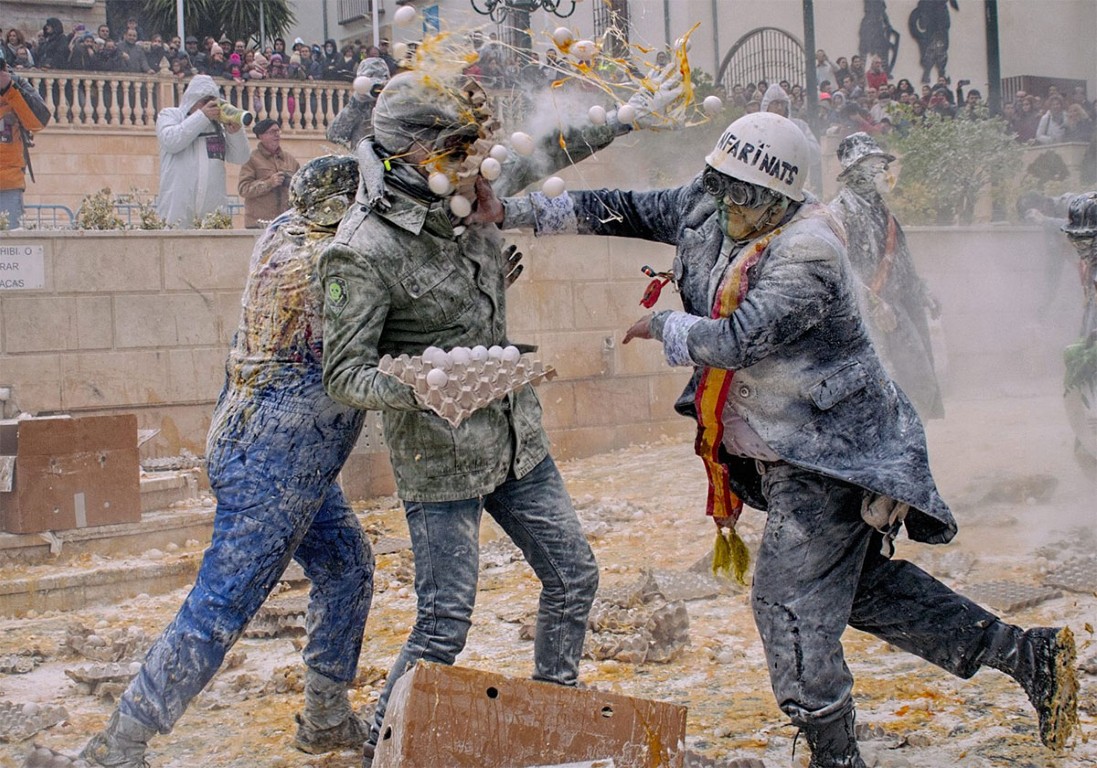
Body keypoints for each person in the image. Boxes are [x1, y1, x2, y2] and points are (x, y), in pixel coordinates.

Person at [479, 111, 1080, 767]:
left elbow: (738, 339)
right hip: (778, 443)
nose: (733, 207)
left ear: (786, 198)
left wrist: (666, 328)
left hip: (833, 450)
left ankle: (833, 751)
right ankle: (1027, 657)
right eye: (725, 188)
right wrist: (508, 209)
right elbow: (618, 207)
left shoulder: (809, 253)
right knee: (855, 591)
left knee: (787, 604)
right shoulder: (706, 202)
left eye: (750, 198)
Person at [317, 56, 682, 763]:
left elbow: (547, 151)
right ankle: (379, 751)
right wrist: (423, 384)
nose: (471, 161)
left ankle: (550, 723)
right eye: (452, 147)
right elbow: (344, 373)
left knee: (574, 576)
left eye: (469, 144)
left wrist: (627, 112)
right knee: (443, 626)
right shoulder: (363, 249)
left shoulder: (469, 190)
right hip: (442, 456)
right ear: (408, 150)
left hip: (517, 437)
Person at [22, 156, 375, 768]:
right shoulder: (322, 264)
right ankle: (118, 745)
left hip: (262, 447)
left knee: (347, 566)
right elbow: (370, 338)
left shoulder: (279, 232)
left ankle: (324, 718)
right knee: (223, 602)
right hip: (278, 463)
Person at [828, 132, 944, 419]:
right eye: (875, 165)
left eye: (883, 165)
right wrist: (873, 303)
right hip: (861, 320)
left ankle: (910, 437)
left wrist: (922, 291)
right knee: (877, 385)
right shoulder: (837, 215)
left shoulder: (885, 213)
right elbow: (838, 270)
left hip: (897, 311)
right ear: (854, 172)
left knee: (918, 377)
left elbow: (902, 262)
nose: (884, 172)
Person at [155, 74, 250, 227]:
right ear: (192, 101)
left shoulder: (217, 126)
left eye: (213, 101)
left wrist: (235, 133)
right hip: (177, 208)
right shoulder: (171, 115)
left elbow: (241, 158)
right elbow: (171, 141)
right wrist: (202, 116)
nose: (210, 106)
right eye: (204, 102)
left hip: (212, 209)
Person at [0, 47, 50, 229]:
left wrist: (9, 89)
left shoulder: (17, 84)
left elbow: (38, 121)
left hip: (7, 182)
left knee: (10, 244)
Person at [238, 118, 299, 229]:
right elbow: (244, 189)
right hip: (259, 225)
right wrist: (269, 183)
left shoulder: (290, 160)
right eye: (272, 132)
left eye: (278, 131)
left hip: (286, 224)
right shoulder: (251, 159)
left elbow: (301, 186)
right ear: (261, 136)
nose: (277, 135)